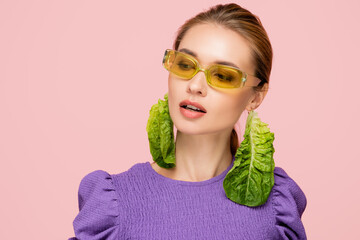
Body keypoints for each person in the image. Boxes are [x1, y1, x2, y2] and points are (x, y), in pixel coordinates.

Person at [70, 3, 307, 239]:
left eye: (223, 76)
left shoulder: (276, 207)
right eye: (185, 65)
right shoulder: (114, 203)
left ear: (256, 96)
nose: (195, 86)